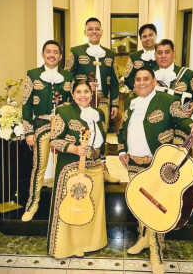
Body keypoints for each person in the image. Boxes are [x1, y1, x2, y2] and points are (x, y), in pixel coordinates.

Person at [118, 67, 193, 274]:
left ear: (154, 80)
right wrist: (122, 150)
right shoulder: (130, 101)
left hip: (155, 164)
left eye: (145, 79)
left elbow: (181, 120)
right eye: (138, 79)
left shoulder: (167, 100)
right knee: (140, 204)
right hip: (133, 163)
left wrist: (192, 126)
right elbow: (123, 128)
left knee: (156, 208)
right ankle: (143, 239)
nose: (141, 83)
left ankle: (157, 252)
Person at [47, 80, 107, 258]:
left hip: (95, 167)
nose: (83, 95)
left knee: (92, 206)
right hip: (71, 167)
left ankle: (91, 243)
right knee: (72, 204)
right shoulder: (63, 112)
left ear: (91, 93)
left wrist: (103, 160)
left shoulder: (99, 114)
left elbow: (102, 141)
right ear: (73, 95)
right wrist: (73, 148)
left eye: (86, 91)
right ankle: (69, 247)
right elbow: (54, 139)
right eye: (79, 91)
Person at [22, 40, 73, 222]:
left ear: (60, 56)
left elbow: (73, 103)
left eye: (55, 52)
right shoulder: (33, 74)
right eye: (48, 52)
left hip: (63, 128)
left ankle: (65, 202)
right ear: (42, 54)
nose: (52, 55)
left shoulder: (68, 76)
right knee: (39, 167)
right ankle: (32, 204)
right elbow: (26, 105)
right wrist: (28, 132)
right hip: (41, 127)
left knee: (65, 166)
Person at [65, 17, 120, 183]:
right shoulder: (76, 51)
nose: (94, 32)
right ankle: (82, 167)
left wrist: (115, 103)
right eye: (90, 29)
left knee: (101, 134)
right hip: (81, 99)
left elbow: (115, 81)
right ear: (85, 32)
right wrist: (72, 98)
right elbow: (68, 77)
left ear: (102, 31)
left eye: (97, 29)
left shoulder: (110, 54)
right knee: (82, 133)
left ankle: (103, 169)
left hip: (103, 100)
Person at [154, 39, 193, 144]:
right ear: (155, 55)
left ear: (173, 53)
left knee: (180, 159)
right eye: (159, 53)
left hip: (181, 130)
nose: (163, 56)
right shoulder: (149, 76)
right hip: (156, 130)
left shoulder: (187, 74)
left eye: (167, 52)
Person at [124, 23, 158, 90]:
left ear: (156, 36)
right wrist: (138, 90)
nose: (148, 38)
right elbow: (127, 78)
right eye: (144, 36)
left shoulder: (163, 55)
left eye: (150, 35)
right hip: (139, 96)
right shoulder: (134, 56)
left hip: (160, 96)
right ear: (140, 39)